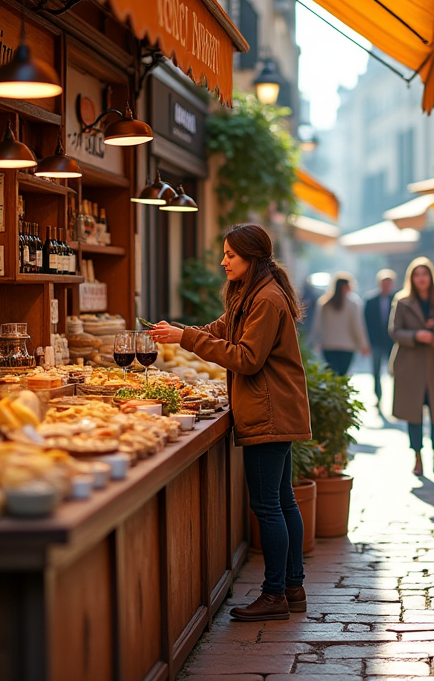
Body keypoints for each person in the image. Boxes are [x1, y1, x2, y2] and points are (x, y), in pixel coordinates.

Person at [148, 224, 311, 622]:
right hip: (273, 407)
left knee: (269, 505)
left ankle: (275, 596)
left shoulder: (266, 299)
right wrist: (182, 333)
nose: (223, 261)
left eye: (230, 256)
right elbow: (223, 329)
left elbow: (247, 358)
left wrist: (186, 338)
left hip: (267, 411)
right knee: (283, 500)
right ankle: (292, 587)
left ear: (251, 258)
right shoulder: (253, 293)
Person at [389, 257, 434, 477]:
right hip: (411, 366)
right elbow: (395, 331)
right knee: (413, 414)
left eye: (424, 274)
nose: (421, 279)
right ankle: (417, 458)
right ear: (412, 278)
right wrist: (417, 335)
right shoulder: (402, 301)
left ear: (431, 277)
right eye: (417, 275)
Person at [310, 272, 369, 376]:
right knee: (342, 376)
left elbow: (317, 324)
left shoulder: (324, 303)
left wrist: (315, 341)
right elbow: (357, 327)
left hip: (328, 344)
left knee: (331, 376)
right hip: (347, 346)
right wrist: (363, 345)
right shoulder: (353, 304)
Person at [362, 269, 397, 408]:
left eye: (389, 283)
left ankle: (395, 399)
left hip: (392, 342)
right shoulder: (370, 300)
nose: (386, 286)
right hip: (375, 341)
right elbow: (364, 322)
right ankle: (378, 396)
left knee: (394, 371)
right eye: (384, 283)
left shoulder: (397, 299)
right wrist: (366, 342)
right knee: (376, 371)